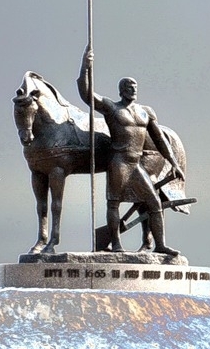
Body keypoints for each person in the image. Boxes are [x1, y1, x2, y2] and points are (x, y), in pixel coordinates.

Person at [77, 46, 184, 255]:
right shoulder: (112, 108)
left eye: (134, 86)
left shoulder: (146, 112)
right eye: (128, 86)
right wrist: (85, 66)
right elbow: (86, 94)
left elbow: (160, 139)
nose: (132, 88)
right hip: (119, 161)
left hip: (136, 164)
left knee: (153, 202)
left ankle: (160, 245)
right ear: (121, 90)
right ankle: (116, 244)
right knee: (114, 203)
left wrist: (174, 162)